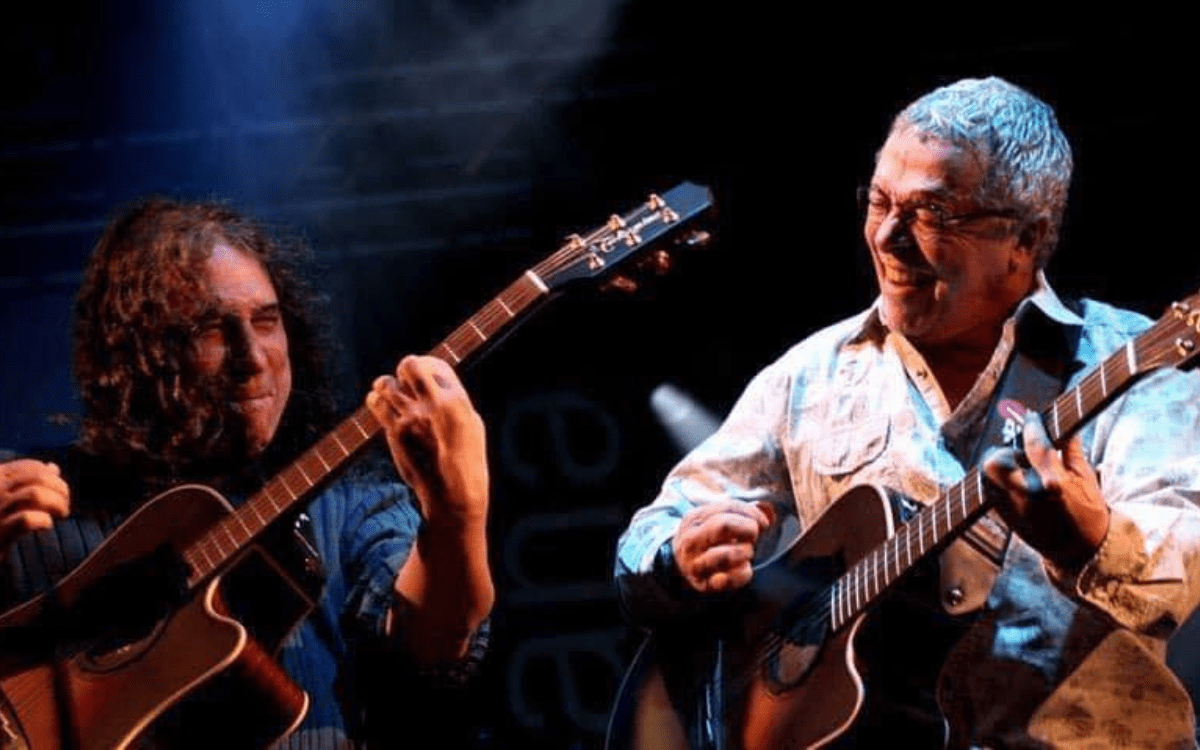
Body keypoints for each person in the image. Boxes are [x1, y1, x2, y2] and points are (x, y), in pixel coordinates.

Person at [614, 77, 1200, 747]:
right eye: (880, 201)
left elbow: (1184, 565)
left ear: (1026, 238)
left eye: (933, 213)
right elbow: (651, 535)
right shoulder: (812, 376)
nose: (889, 237)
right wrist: (678, 555)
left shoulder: (1132, 368)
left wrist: (1090, 544)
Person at [0, 198, 494, 749]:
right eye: (210, 329)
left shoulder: (348, 502)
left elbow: (435, 645)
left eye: (267, 321)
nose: (253, 357)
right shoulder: (30, 500)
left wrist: (457, 512)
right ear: (132, 354)